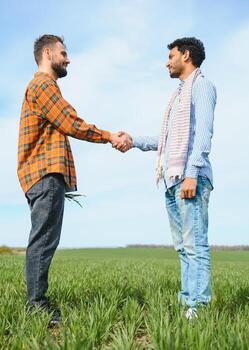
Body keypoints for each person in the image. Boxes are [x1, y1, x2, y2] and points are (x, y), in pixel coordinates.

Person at [17, 34, 126, 325]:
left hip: (41, 175)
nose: (68, 59)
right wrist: (107, 136)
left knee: (44, 239)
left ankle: (36, 301)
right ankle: (36, 305)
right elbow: (70, 122)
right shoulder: (43, 85)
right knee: (43, 240)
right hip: (45, 173)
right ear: (48, 53)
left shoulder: (40, 87)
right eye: (63, 53)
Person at [116, 37, 217, 320]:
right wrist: (133, 140)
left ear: (186, 56)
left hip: (189, 178)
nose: (167, 62)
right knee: (184, 248)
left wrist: (192, 174)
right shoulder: (178, 97)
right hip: (173, 180)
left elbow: (204, 134)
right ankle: (188, 302)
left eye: (171, 56)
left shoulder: (202, 87)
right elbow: (167, 140)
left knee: (195, 244)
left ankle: (200, 307)